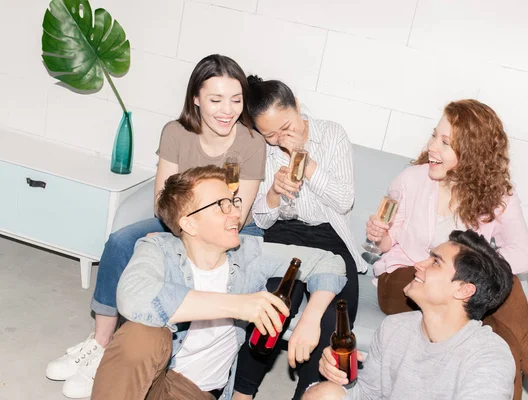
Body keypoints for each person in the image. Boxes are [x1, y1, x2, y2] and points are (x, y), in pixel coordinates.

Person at [45, 54, 267, 399]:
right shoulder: (176, 132)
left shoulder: (251, 143)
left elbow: (238, 211)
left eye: (236, 100)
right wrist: (172, 237)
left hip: (231, 228)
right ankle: (101, 342)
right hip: (176, 220)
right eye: (216, 99)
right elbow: (162, 200)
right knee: (122, 241)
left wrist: (181, 244)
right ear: (195, 98)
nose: (228, 110)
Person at [365, 99, 528, 399]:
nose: (433, 147)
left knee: (504, 333)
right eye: (435, 135)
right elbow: (387, 244)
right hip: (405, 281)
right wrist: (379, 235)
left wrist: (473, 270)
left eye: (445, 143)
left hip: (457, 292)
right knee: (499, 296)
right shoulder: (411, 180)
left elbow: (523, 256)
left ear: (472, 154)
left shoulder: (498, 199)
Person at [91, 165, 347, 399]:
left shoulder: (249, 254)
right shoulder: (158, 248)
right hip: (146, 378)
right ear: (189, 223)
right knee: (143, 334)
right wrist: (238, 306)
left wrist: (310, 320)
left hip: (193, 392)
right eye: (222, 205)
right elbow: (133, 296)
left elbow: (329, 261)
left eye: (234, 202)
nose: (235, 212)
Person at [232, 77, 364, 400]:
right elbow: (262, 219)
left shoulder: (333, 135)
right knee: (272, 307)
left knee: (334, 315)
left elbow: (345, 200)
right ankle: (241, 393)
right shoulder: (264, 147)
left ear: (298, 108)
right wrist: (275, 193)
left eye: (286, 128)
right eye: (270, 134)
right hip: (284, 233)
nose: (280, 139)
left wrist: (306, 164)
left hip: (329, 235)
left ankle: (308, 394)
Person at [304, 229, 516, 400]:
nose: (418, 264)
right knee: (323, 394)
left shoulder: (489, 358)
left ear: (464, 290)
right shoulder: (394, 327)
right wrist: (337, 378)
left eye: (435, 262)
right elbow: (367, 393)